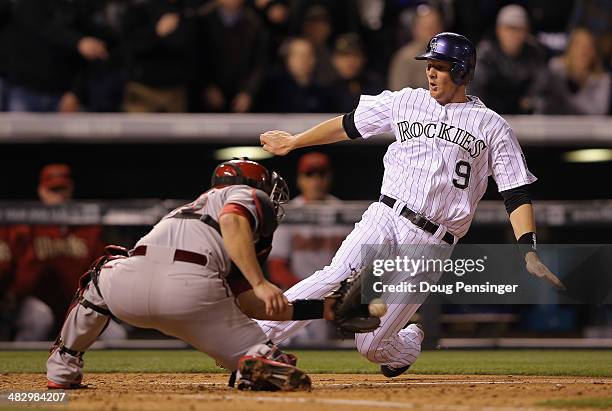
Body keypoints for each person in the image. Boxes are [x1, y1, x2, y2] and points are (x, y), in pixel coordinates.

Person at [258, 32, 563, 378]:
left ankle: (408, 341)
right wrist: (296, 141)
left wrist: (529, 249)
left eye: (440, 67)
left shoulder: (492, 126)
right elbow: (348, 124)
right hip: (387, 215)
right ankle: (257, 337)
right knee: (336, 276)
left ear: (462, 72)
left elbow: (516, 192)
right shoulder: (406, 101)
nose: (430, 72)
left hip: (433, 241)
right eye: (429, 65)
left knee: (370, 346)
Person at [45, 159, 375, 390]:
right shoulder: (241, 197)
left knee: (101, 277)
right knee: (268, 358)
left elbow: (253, 306)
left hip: (130, 285)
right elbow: (234, 224)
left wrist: (324, 309)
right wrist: (260, 282)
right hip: (193, 295)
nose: (272, 200)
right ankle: (253, 367)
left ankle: (63, 366)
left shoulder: (184, 211)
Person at [9, 164, 114, 341]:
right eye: (53, 190)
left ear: (70, 188)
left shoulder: (88, 226)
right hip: (38, 301)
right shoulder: (26, 226)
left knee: (114, 332)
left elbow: (102, 269)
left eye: (62, 189)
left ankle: (121, 369)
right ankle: (16, 369)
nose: (58, 195)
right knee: (39, 317)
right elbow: (18, 277)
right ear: (41, 191)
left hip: (79, 301)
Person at [268, 153, 351, 344]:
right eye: (310, 174)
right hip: (298, 295)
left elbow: (356, 263)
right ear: (300, 179)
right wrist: (311, 291)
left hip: (336, 295)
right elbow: (276, 267)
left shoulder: (344, 211)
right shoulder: (290, 213)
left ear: (329, 178)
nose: (316, 181)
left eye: (321, 174)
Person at [6, 0, 109, 112]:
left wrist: (76, 92)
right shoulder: (30, 5)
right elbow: (41, 26)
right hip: (26, 89)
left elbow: (86, 56)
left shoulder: (79, 8)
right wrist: (78, 42)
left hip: (63, 95)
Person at [469, 4, 549, 114]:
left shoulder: (534, 54)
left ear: (526, 32)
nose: (513, 35)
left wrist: (529, 101)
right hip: (489, 114)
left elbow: (541, 89)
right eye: (508, 29)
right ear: (498, 30)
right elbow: (475, 89)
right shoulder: (486, 53)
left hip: (526, 117)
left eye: (518, 29)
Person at [122, 0, 198, 113]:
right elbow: (130, 45)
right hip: (143, 90)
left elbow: (192, 48)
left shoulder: (188, 10)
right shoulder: (140, 8)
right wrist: (157, 33)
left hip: (176, 91)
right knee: (139, 129)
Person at [197, 0, 268, 113]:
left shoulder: (254, 22)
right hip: (206, 97)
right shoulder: (202, 20)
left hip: (242, 96)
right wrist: (207, 86)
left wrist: (248, 92)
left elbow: (259, 63)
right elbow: (197, 58)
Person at [541, 28, 610, 115]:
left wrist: (578, 85)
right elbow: (547, 105)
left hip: (587, 127)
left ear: (594, 52)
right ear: (569, 49)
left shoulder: (602, 79)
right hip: (554, 126)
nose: (583, 51)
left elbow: (598, 112)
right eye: (578, 45)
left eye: (589, 46)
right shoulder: (556, 71)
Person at [258, 37, 330, 113]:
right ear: (287, 58)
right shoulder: (271, 90)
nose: (303, 60)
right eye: (297, 55)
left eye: (308, 54)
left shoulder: (323, 92)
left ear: (315, 59)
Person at [388, 5, 444, 91]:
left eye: (435, 26)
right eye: (426, 27)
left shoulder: (452, 55)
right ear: (415, 30)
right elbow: (398, 95)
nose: (432, 31)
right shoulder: (405, 58)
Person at [329, 33, 384, 113]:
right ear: (334, 60)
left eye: (355, 55)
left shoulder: (374, 85)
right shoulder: (325, 88)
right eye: (345, 55)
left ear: (363, 59)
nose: (350, 61)